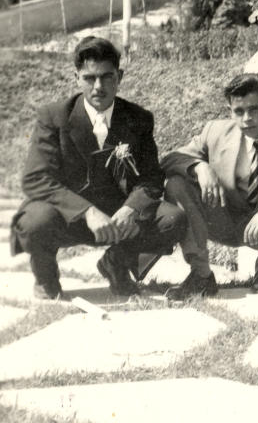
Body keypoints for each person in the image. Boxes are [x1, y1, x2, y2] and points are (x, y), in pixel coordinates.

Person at [10, 37, 186, 299]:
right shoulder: (54, 117)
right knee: (33, 221)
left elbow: (151, 178)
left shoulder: (138, 119)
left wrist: (131, 208)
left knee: (173, 220)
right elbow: (36, 179)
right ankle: (46, 278)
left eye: (106, 77)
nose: (98, 87)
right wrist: (87, 212)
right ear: (76, 78)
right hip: (67, 216)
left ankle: (116, 263)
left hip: (118, 219)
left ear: (119, 77)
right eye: (89, 78)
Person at [161, 73, 258, 299]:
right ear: (230, 111)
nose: (246, 119)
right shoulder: (215, 132)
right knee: (177, 184)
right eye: (239, 111)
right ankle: (201, 276)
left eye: (254, 109)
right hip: (221, 219)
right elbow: (171, 159)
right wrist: (199, 167)